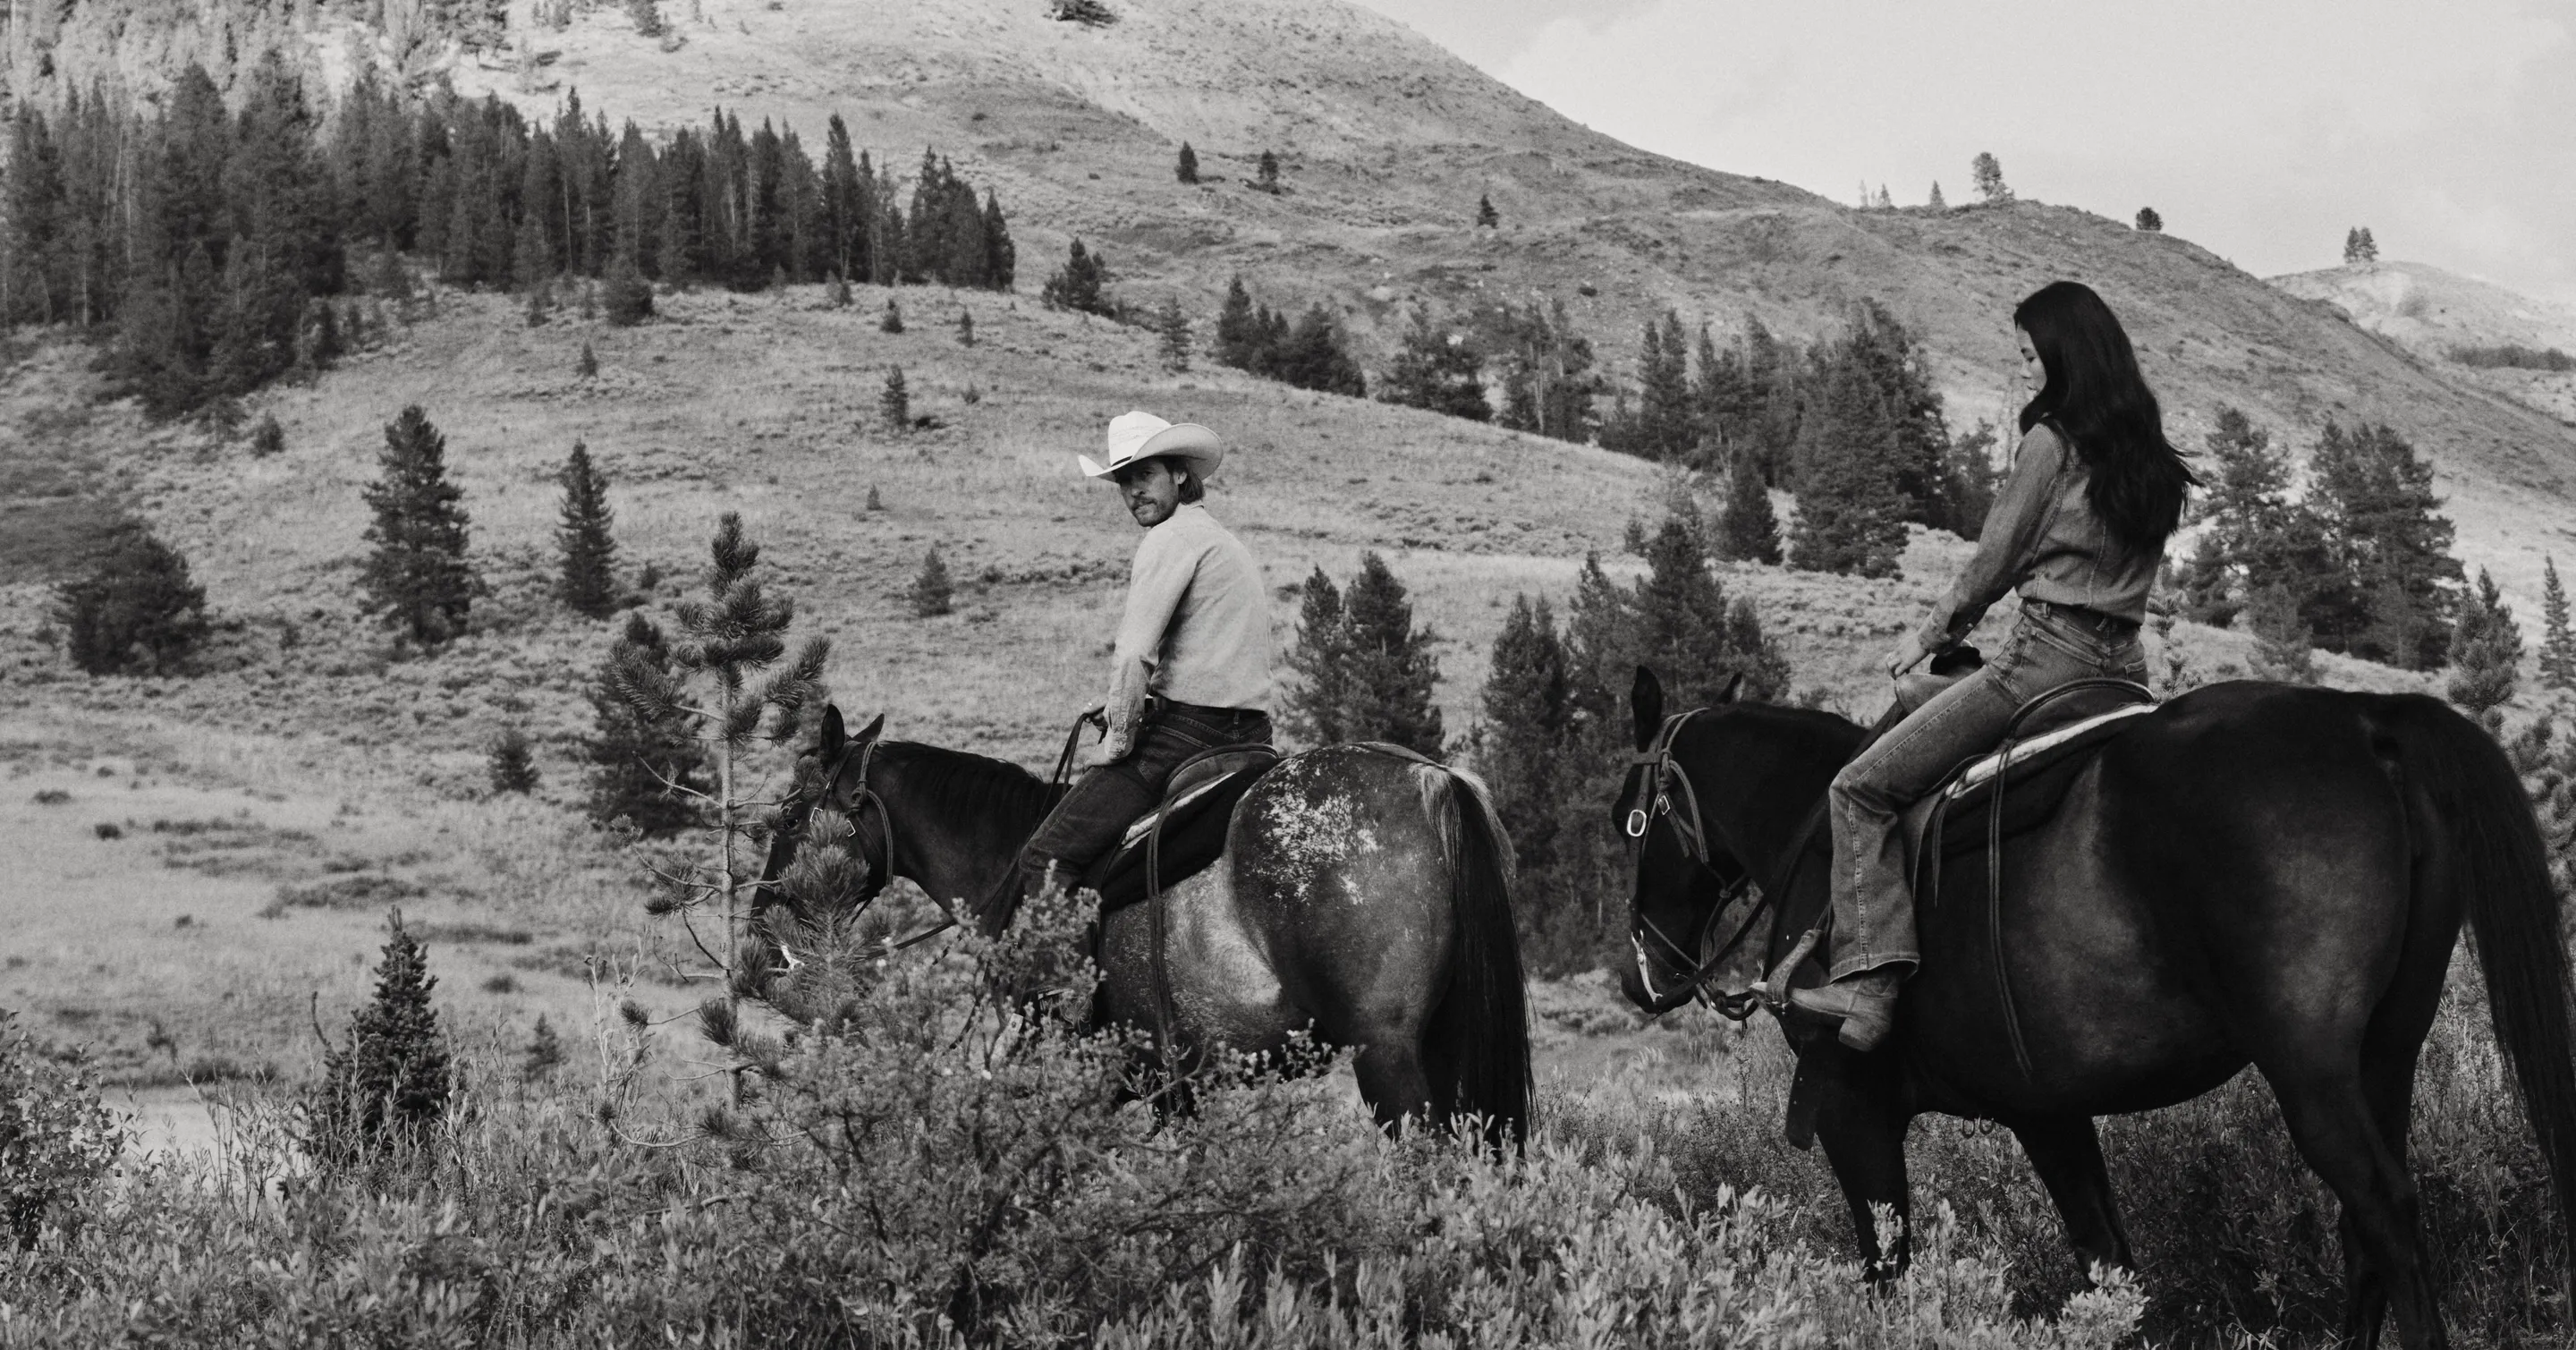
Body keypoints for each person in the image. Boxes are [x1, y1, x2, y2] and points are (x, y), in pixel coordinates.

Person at [1788, 281, 2197, 1051]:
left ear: (2063, 351)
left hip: (2041, 664)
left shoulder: (2054, 443)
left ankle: (1870, 985)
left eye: (2030, 355)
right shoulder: (2146, 448)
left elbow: (1995, 560)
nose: (2026, 370)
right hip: (2123, 675)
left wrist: (1929, 635)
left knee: (1860, 787)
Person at [977, 411, 1275, 933]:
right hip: (1250, 733)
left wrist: (1118, 737)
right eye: (1123, 480)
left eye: (1145, 475)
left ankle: (1062, 994)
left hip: (1189, 736)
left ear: (1180, 474)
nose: (1133, 491)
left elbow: (1135, 652)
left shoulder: (1170, 539)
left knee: (1045, 855)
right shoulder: (1219, 540)